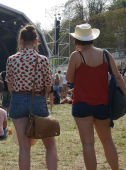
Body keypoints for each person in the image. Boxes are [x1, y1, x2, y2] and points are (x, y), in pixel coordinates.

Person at [66, 23, 126, 170]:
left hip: (82, 104)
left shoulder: (76, 56)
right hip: (103, 104)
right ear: (92, 39)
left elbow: (70, 80)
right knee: (108, 141)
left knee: (88, 144)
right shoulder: (106, 54)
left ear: (76, 42)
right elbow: (118, 77)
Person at [6, 25, 57, 170]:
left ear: (21, 41)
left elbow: (10, 87)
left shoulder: (11, 60)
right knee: (50, 144)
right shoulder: (42, 60)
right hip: (38, 100)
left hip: (17, 100)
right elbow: (48, 87)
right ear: (36, 41)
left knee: (24, 147)